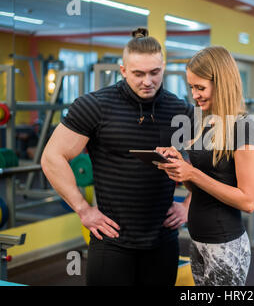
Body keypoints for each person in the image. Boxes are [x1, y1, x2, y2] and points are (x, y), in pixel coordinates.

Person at [41, 28, 193, 286]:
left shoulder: (179, 109)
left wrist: (189, 205)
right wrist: (83, 209)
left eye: (154, 72)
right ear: (123, 71)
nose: (148, 81)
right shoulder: (95, 106)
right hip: (111, 243)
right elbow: (52, 157)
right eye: (138, 73)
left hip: (163, 241)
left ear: (163, 68)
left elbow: (215, 162)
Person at [157, 46, 254, 286]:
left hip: (225, 243)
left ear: (221, 83)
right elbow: (200, 187)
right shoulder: (206, 122)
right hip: (198, 239)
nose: (194, 95)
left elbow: (248, 201)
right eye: (192, 87)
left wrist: (193, 172)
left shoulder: (244, 127)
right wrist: (180, 167)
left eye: (200, 87)